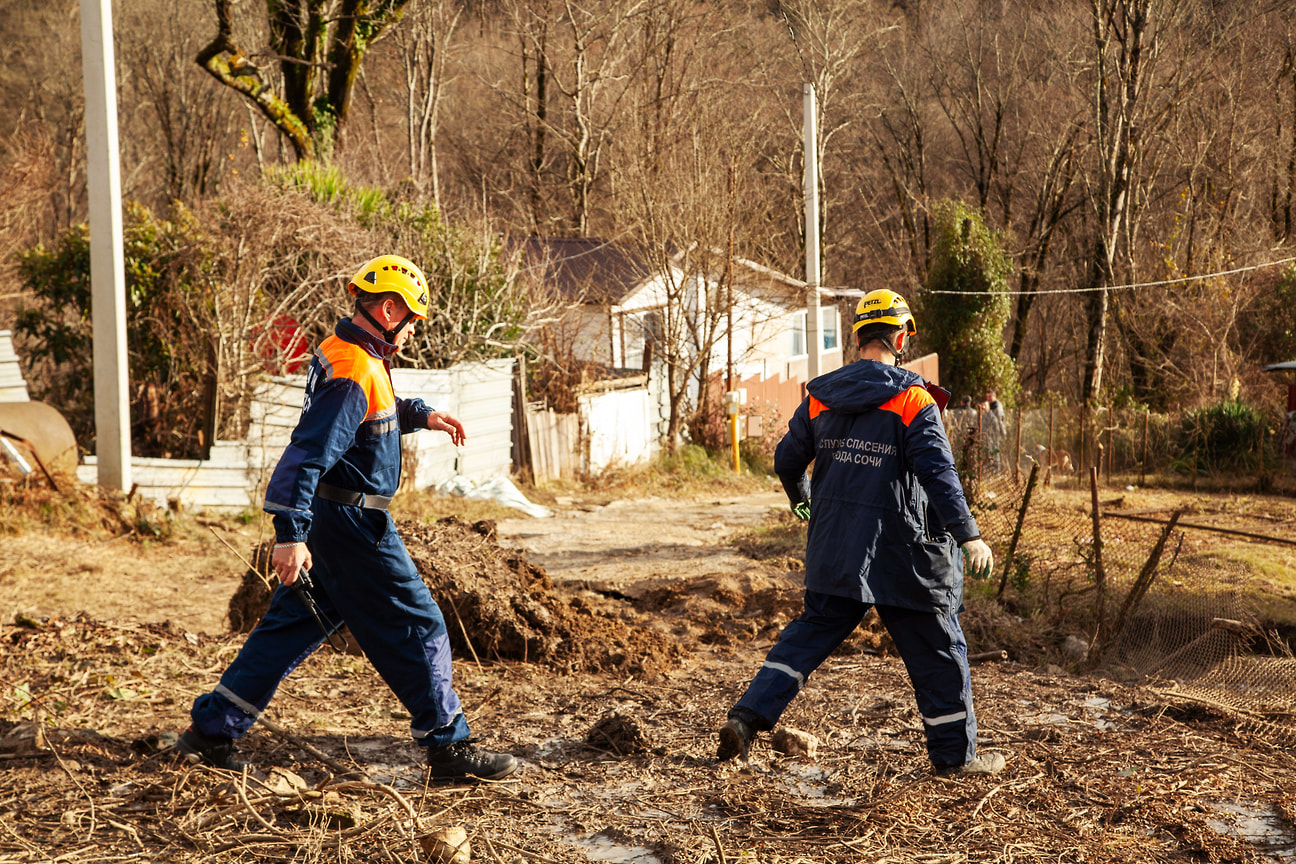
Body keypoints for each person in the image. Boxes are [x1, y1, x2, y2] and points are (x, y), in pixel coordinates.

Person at [177, 254, 517, 782]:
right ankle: (449, 748)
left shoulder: (347, 354)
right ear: (387, 310)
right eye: (410, 321)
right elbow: (307, 453)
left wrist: (421, 415)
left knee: (288, 629)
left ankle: (210, 733)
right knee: (420, 622)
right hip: (355, 525)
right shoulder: (356, 370)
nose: (410, 334)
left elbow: (370, 417)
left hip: (331, 520)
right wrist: (288, 535)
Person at [716, 289, 1003, 776]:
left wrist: (802, 500)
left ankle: (746, 718)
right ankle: (956, 760)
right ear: (899, 337)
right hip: (903, 555)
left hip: (836, 548)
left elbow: (786, 461)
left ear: (858, 337)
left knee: (807, 637)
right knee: (938, 651)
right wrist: (969, 534)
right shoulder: (912, 398)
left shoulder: (820, 398)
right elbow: (939, 474)